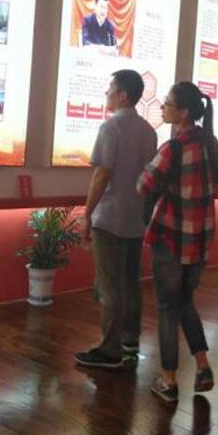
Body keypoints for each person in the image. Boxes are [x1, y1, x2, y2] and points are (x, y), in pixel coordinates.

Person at [137, 82, 218, 403]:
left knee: (166, 308)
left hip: (171, 237)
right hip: (200, 238)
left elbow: (144, 184)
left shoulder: (173, 147)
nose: (163, 107)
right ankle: (202, 365)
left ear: (184, 112)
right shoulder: (211, 144)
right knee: (184, 300)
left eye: (168, 103)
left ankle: (169, 379)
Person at [76, 70, 158, 369]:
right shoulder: (149, 131)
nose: (106, 94)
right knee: (130, 283)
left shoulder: (111, 127)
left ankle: (110, 350)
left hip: (109, 217)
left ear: (123, 95)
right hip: (135, 218)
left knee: (109, 286)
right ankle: (130, 341)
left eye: (110, 88)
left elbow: (102, 174)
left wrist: (87, 214)